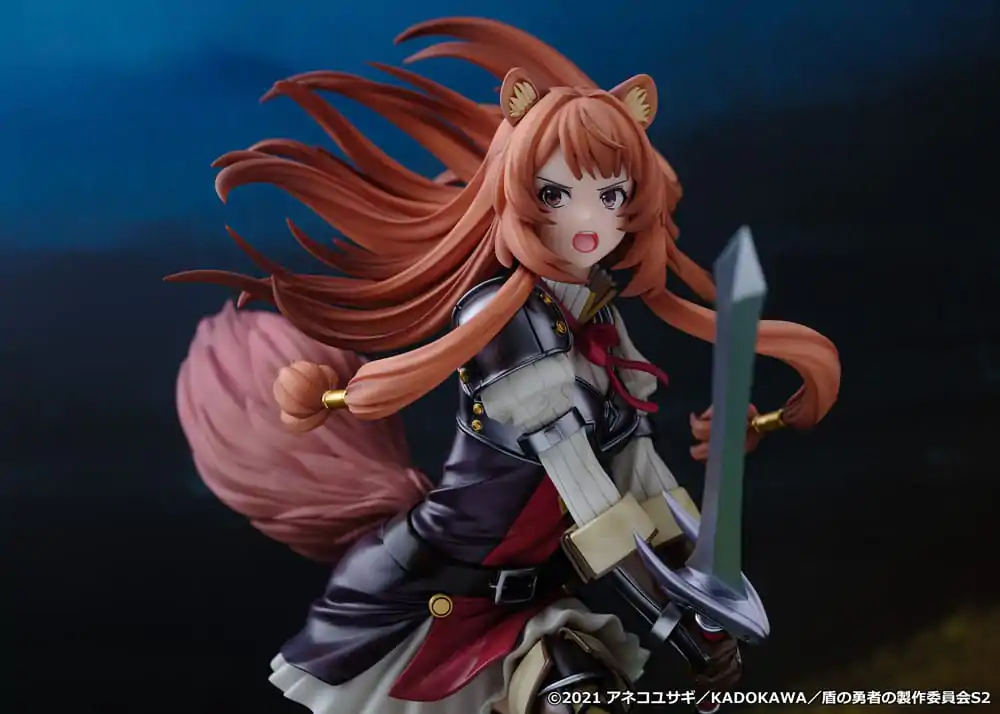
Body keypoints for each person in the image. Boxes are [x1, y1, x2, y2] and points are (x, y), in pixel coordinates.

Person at [170, 16, 841, 714]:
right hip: (436, 601)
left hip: (535, 599)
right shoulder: (506, 324)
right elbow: (593, 503)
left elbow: (641, 473)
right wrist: (675, 621)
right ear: (519, 192)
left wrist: (704, 588)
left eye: (611, 195)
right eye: (556, 194)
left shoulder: (596, 317)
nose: (590, 220)